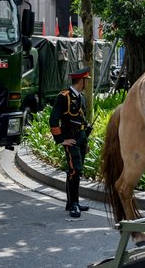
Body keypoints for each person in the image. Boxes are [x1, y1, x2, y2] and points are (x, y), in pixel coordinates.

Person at [49, 66, 93, 217]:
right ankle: (73, 203)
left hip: (80, 137)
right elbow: (53, 119)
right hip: (71, 138)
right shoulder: (64, 96)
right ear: (81, 81)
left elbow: (82, 120)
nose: (87, 83)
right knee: (76, 170)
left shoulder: (80, 97)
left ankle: (73, 202)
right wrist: (61, 140)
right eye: (86, 80)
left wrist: (85, 141)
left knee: (76, 171)